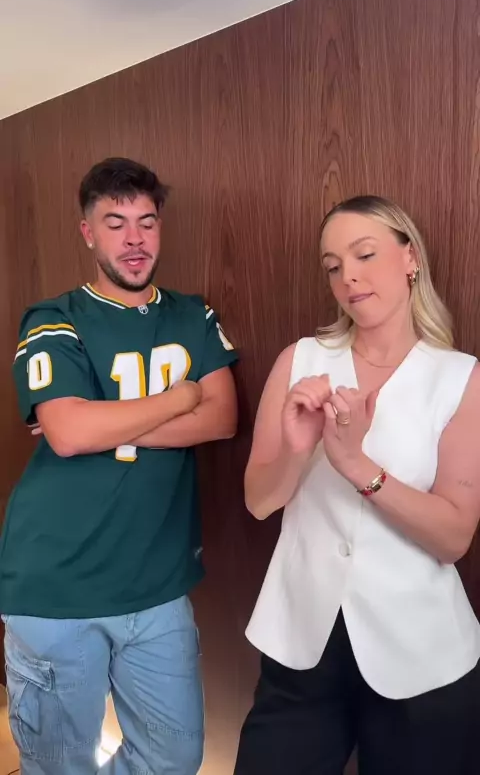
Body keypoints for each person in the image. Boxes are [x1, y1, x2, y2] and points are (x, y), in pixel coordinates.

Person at [0, 157, 238, 775]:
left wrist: (102, 421)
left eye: (146, 222)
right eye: (115, 223)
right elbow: (69, 434)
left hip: (156, 586)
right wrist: (180, 398)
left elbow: (222, 418)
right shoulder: (53, 318)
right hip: (57, 586)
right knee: (60, 766)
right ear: (88, 232)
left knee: (173, 757)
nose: (135, 240)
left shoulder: (192, 315)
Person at [234, 196, 480, 775]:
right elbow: (260, 501)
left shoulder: (459, 377)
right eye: (332, 265)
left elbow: (453, 538)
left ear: (410, 258)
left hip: (423, 658)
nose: (347, 276)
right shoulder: (300, 361)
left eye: (364, 255)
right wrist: (298, 451)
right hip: (301, 645)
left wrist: (355, 466)